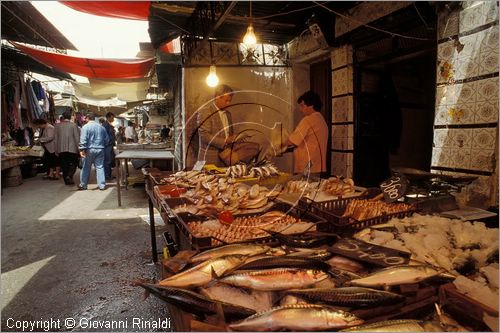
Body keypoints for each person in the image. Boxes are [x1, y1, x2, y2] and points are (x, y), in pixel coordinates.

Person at [283, 90, 328, 175]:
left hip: (306, 167)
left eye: (302, 106)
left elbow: (292, 141)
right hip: (318, 167)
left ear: (311, 105)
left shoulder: (308, 120)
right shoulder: (322, 120)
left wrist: (278, 144)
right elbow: (306, 142)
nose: (300, 109)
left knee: (303, 188)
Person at [197, 84, 236, 165]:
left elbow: (230, 134)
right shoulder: (205, 112)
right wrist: (225, 141)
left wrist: (234, 138)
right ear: (217, 97)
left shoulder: (228, 114)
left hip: (225, 158)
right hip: (207, 158)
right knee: (204, 178)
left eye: (230, 100)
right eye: (226, 100)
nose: (228, 103)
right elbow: (204, 136)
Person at [78, 113, 109, 190]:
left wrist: (82, 149)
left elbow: (83, 139)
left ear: (88, 118)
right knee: (100, 167)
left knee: (86, 167)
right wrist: (102, 146)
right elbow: (107, 140)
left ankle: (83, 185)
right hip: (100, 149)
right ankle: (102, 185)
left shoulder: (85, 127)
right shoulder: (101, 128)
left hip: (89, 149)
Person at [54, 110, 80, 185]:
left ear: (63, 117)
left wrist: (56, 149)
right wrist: (79, 149)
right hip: (72, 149)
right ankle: (70, 175)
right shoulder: (74, 125)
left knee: (64, 164)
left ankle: (67, 180)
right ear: (70, 117)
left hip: (61, 149)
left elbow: (55, 139)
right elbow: (77, 138)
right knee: (74, 163)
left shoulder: (57, 126)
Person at [102, 112, 116, 181]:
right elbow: (105, 136)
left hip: (110, 145)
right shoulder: (105, 125)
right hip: (107, 146)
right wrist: (108, 142)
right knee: (107, 161)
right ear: (109, 117)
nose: (113, 119)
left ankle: (109, 175)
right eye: (112, 117)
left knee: (110, 160)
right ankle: (107, 176)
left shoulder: (109, 124)